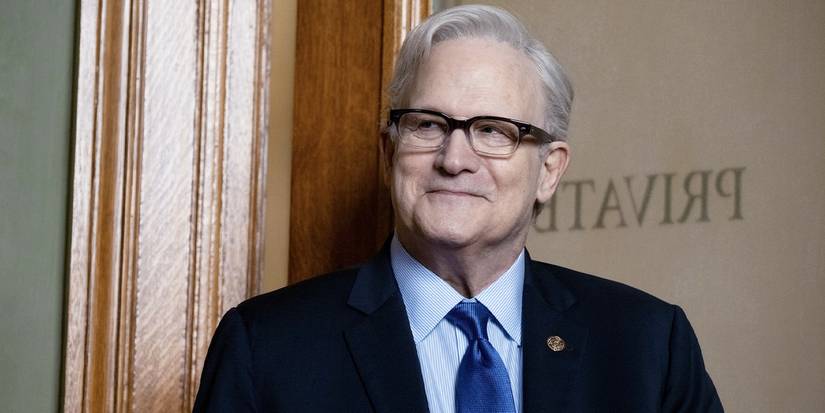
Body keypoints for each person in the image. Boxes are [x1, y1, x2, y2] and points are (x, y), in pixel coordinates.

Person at [193, 5, 722, 412]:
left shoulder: (649, 345)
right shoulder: (265, 347)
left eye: (494, 131)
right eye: (428, 124)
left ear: (550, 170)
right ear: (388, 150)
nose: (455, 158)